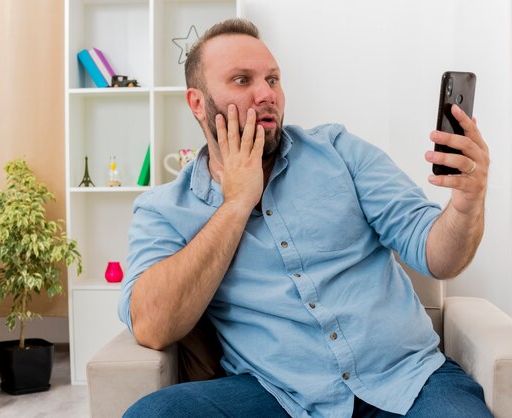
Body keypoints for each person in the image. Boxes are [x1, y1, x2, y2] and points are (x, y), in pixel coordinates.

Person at [119, 18, 492, 418]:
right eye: (242, 81)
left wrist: (466, 206)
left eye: (273, 79)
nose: (267, 95)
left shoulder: (341, 152)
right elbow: (153, 326)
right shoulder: (163, 209)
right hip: (276, 395)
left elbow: (437, 256)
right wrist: (235, 204)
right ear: (197, 102)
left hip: (406, 380)